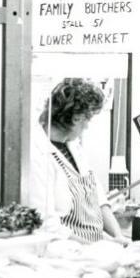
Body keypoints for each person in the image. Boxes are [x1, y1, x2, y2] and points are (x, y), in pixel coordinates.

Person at [29, 78, 126, 243]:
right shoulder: (37, 152)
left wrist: (118, 237)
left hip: (93, 247)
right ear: (76, 118)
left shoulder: (73, 145)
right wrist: (96, 247)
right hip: (66, 251)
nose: (87, 126)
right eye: (87, 119)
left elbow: (98, 196)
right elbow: (48, 224)